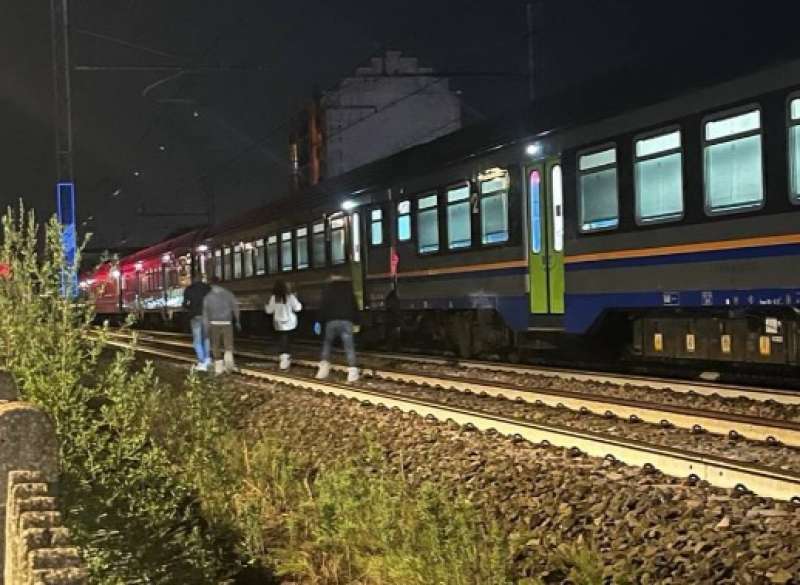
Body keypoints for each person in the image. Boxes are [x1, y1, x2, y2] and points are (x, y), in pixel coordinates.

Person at [316, 275, 359, 382]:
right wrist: (357, 322)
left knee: (327, 344)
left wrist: (319, 321)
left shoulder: (328, 291)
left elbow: (323, 307)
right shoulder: (349, 292)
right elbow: (355, 307)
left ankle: (323, 370)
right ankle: (352, 373)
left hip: (331, 321)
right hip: (346, 321)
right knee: (349, 347)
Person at [202, 277, 241, 375]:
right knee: (228, 345)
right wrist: (237, 320)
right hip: (227, 323)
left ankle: (218, 368)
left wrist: (206, 328)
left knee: (215, 346)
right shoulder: (228, 294)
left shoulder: (208, 297)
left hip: (214, 324)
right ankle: (229, 365)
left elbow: (205, 314)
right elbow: (235, 307)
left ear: (211, 285)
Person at [265, 280, 302, 370]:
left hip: (279, 324)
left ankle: (284, 360)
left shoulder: (274, 298)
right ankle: (286, 359)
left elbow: (269, 311)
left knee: (282, 341)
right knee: (287, 341)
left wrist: (266, 306)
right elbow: (298, 308)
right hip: (290, 324)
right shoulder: (290, 297)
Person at [182, 274, 212, 371]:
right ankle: (208, 359)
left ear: (193, 280)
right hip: (207, 316)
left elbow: (185, 304)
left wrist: (189, 308)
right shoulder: (208, 288)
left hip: (195, 317)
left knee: (197, 341)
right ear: (201, 279)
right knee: (206, 338)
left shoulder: (189, 289)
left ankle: (201, 362)